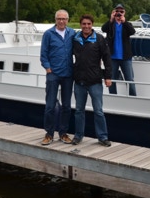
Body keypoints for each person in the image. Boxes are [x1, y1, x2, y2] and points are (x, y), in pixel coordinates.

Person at [72, 14, 113, 146]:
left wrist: (108, 76)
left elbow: (107, 58)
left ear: (92, 25)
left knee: (98, 111)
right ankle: (78, 136)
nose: (86, 26)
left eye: (89, 24)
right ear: (80, 25)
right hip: (79, 81)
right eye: (84, 24)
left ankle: (102, 137)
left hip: (95, 81)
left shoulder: (99, 39)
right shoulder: (75, 38)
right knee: (79, 111)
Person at [40, 9, 75, 146]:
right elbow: (44, 54)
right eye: (59, 19)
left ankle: (63, 133)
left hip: (68, 74)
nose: (61, 21)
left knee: (66, 106)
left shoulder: (72, 33)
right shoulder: (48, 34)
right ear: (55, 20)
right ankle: (49, 134)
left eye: (64, 19)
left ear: (67, 20)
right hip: (53, 74)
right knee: (50, 106)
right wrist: (48, 68)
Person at [101, 3, 136, 96]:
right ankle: (113, 97)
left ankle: (133, 97)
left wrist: (124, 21)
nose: (119, 13)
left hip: (125, 57)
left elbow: (132, 31)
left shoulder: (127, 24)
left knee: (130, 79)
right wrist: (111, 19)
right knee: (111, 79)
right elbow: (103, 29)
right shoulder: (111, 24)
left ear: (124, 13)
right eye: (117, 11)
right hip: (112, 57)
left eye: (121, 11)